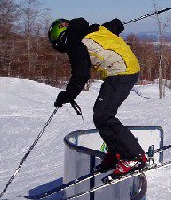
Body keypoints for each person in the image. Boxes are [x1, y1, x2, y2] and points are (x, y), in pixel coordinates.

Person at [48, 17, 147, 177]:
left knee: (104, 116)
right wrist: (117, 24)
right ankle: (117, 152)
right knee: (100, 115)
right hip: (125, 69)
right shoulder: (93, 29)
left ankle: (134, 157)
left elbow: (80, 74)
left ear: (61, 38)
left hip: (121, 72)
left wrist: (67, 95)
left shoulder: (75, 42)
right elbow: (111, 27)